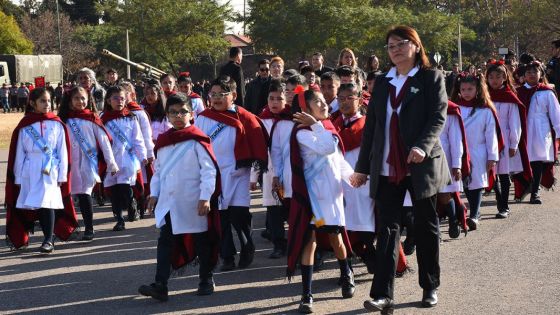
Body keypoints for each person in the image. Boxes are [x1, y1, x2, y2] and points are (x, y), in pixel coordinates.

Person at [352, 26, 450, 312]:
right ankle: (383, 295)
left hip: (420, 163)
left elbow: (437, 116)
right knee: (387, 229)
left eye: (401, 44)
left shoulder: (431, 77)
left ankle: (430, 285)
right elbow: (371, 127)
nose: (394, 49)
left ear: (416, 46)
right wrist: (362, 168)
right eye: (390, 46)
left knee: (425, 226)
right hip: (386, 165)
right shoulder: (383, 82)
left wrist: (422, 145)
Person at [138, 92, 221, 301]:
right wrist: (154, 194)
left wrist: (205, 197)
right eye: (173, 112)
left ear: (191, 114)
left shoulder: (197, 140)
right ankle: (161, 284)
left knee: (202, 242)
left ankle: (206, 278)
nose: (178, 116)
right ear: (167, 115)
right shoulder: (164, 141)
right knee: (165, 242)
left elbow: (209, 171)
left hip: (193, 202)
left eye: (182, 112)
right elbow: (158, 172)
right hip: (169, 202)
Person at [287, 88, 355, 314]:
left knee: (336, 238)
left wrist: (351, 176)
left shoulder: (325, 127)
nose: (325, 104)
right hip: (313, 198)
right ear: (305, 109)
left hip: (332, 196)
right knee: (310, 240)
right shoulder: (302, 133)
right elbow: (326, 147)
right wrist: (316, 125)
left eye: (324, 100)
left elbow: (337, 158)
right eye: (318, 101)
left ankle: (346, 274)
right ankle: (306, 294)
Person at [195, 76, 268, 271]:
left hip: (238, 174)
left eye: (222, 94)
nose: (216, 98)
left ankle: (247, 247)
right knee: (221, 218)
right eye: (213, 94)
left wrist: (254, 176)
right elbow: (198, 146)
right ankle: (227, 256)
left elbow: (256, 149)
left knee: (240, 217)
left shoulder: (246, 118)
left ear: (234, 95)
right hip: (215, 175)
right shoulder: (203, 118)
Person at [5, 88, 78, 253]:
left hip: (51, 169)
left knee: (47, 202)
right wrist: (18, 177)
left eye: (49, 101)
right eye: (43, 101)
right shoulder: (25, 125)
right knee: (37, 205)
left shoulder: (57, 123)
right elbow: (19, 152)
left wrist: (62, 174)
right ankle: (42, 237)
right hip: (30, 170)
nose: (47, 104)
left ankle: (48, 239)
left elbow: (62, 150)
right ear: (32, 103)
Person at [58, 86, 118, 241]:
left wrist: (111, 163)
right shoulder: (63, 120)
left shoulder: (92, 118)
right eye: (77, 98)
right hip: (68, 165)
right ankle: (66, 228)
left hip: (87, 164)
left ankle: (89, 228)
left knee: (85, 195)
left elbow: (104, 142)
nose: (81, 101)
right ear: (70, 101)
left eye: (83, 98)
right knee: (66, 197)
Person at [332, 82, 376, 272]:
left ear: (359, 99)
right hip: (341, 183)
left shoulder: (367, 124)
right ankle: (350, 266)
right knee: (344, 227)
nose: (345, 102)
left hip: (363, 181)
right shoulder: (334, 126)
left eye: (350, 98)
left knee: (366, 223)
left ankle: (372, 256)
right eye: (341, 98)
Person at [451, 72, 501, 231]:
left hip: (479, 151)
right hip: (460, 152)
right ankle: (470, 213)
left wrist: (492, 156)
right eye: (463, 89)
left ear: (478, 89)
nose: (466, 92)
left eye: (470, 89)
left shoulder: (485, 110)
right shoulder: (454, 108)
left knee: (477, 183)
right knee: (464, 183)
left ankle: (474, 214)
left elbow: (491, 134)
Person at [250, 79, 293, 258]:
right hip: (268, 173)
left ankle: (295, 242)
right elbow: (257, 151)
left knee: (291, 209)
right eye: (271, 98)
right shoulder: (261, 121)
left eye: (279, 99)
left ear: (286, 100)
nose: (274, 102)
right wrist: (253, 177)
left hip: (290, 173)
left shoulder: (292, 119)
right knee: (274, 211)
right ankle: (278, 244)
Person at [486, 61, 530, 217]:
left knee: (503, 174)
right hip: (487, 139)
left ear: (505, 78)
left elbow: (515, 123)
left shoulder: (509, 97)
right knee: (491, 174)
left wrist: (514, 143)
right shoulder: (484, 97)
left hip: (504, 139)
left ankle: (504, 207)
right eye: (491, 77)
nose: (494, 80)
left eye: (498, 77)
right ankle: (497, 203)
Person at [101, 86, 147, 231]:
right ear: (108, 100)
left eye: (122, 98)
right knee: (114, 191)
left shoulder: (130, 117)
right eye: (115, 98)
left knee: (125, 187)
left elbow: (138, 138)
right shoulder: (103, 118)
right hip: (110, 160)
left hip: (127, 159)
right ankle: (119, 219)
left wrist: (143, 155)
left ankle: (131, 202)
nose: (119, 101)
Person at [517, 61, 560, 204]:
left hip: (541, 131)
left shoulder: (546, 92)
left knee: (537, 162)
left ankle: (535, 192)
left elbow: (556, 114)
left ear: (540, 74)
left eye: (535, 72)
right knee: (523, 162)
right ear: (524, 75)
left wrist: (558, 133)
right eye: (528, 72)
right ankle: (527, 186)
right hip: (523, 131)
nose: (531, 75)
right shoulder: (519, 92)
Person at [122, 81, 155, 220]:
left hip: (138, 154)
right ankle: (131, 206)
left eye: (126, 93)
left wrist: (148, 153)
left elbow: (147, 135)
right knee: (126, 183)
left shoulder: (139, 113)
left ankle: (141, 207)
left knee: (141, 182)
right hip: (123, 155)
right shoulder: (115, 113)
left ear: (132, 95)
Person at [438, 100, 469, 238]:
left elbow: (456, 140)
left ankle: (452, 218)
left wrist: (457, 164)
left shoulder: (449, 111)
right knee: (427, 198)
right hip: (422, 159)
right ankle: (435, 232)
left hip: (444, 159)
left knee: (444, 194)